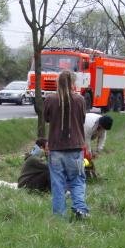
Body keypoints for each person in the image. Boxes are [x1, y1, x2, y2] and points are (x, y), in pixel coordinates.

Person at [43, 70, 89, 219]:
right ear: (73, 83)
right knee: (77, 180)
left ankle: (59, 217)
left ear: (58, 83)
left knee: (58, 184)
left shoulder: (50, 99)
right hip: (75, 147)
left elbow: (47, 118)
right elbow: (82, 119)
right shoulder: (80, 100)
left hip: (55, 148)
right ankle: (80, 209)